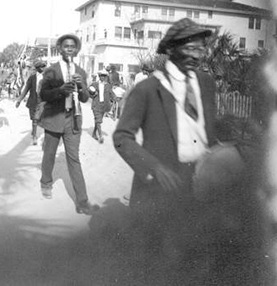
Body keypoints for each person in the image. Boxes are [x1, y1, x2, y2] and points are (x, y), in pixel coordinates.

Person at [113, 18, 217, 251]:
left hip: (202, 180)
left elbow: (209, 131)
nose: (197, 56)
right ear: (171, 48)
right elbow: (121, 137)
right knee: (159, 253)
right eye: (190, 48)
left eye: (201, 49)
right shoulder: (148, 88)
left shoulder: (206, 83)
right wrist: (154, 168)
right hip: (163, 184)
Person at [38, 33, 99, 215]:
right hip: (54, 117)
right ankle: (46, 183)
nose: (70, 49)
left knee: (74, 159)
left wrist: (81, 87)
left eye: (73, 46)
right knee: (49, 153)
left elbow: (86, 98)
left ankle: (82, 201)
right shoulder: (51, 71)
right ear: (60, 49)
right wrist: (60, 90)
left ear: (77, 49)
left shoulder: (80, 71)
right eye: (66, 46)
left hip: (73, 119)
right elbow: (43, 95)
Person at [15, 59, 46, 145]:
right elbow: (26, 89)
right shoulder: (32, 78)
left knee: (44, 120)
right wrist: (19, 100)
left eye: (44, 66)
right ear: (37, 68)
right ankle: (34, 136)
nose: (43, 68)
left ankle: (43, 137)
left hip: (43, 101)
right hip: (33, 101)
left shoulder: (47, 78)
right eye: (42, 67)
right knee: (34, 119)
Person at [89, 70, 113, 143]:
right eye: (101, 76)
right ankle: (100, 136)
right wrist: (93, 94)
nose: (103, 77)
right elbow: (89, 92)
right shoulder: (94, 84)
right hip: (96, 105)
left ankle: (94, 134)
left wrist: (116, 98)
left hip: (103, 106)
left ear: (106, 77)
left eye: (104, 76)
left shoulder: (108, 85)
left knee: (98, 120)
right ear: (99, 76)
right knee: (98, 120)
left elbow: (111, 93)